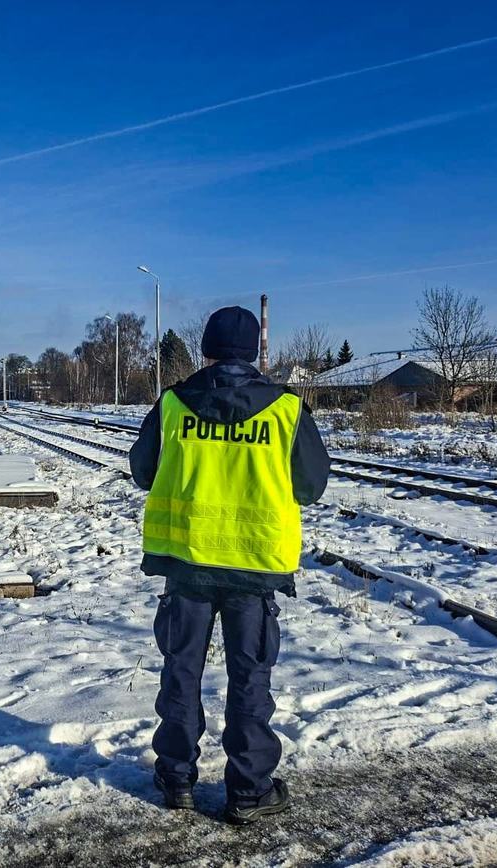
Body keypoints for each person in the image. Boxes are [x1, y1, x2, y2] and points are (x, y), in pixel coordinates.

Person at [129, 305, 330, 824]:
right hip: (253, 566)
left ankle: (177, 779)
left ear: (207, 349)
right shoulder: (286, 410)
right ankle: (249, 791)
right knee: (250, 679)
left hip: (188, 563)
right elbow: (311, 486)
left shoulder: (172, 404)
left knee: (181, 672)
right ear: (255, 352)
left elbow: (143, 472)